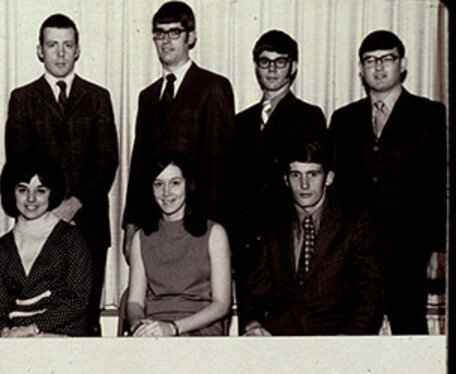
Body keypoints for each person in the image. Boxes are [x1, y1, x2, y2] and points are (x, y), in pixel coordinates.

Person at [5, 13, 118, 336]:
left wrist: (75, 203)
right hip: (39, 226)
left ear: (78, 50)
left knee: (84, 318)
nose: (60, 53)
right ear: (40, 50)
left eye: (67, 45)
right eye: (52, 45)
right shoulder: (22, 99)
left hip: (89, 223)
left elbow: (107, 160)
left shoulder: (98, 97)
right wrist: (49, 209)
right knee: (40, 317)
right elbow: (19, 163)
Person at [328, 30, 446, 334]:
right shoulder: (343, 120)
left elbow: (438, 185)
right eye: (370, 61)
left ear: (402, 64)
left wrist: (437, 248)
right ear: (360, 70)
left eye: (387, 59)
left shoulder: (430, 115)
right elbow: (337, 191)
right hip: (357, 254)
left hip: (410, 250)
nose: (378, 67)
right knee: (357, 336)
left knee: (410, 332)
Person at [122, 1, 235, 263]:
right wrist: (130, 226)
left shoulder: (213, 87)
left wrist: (212, 234)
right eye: (159, 33)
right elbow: (139, 167)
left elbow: (222, 168)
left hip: (198, 229)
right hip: (155, 227)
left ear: (191, 37)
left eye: (174, 32)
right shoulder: (147, 96)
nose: (166, 41)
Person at [240, 141, 383, 336]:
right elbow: (254, 292)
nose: (304, 184)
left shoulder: (355, 222)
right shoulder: (270, 225)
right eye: (296, 175)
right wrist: (253, 325)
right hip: (281, 339)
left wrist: (350, 339)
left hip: (337, 338)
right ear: (285, 180)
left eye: (313, 174)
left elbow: (370, 293)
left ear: (329, 178)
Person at [233, 30, 326, 274]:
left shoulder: (309, 116)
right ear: (256, 67)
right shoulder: (240, 121)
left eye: (280, 62)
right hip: (247, 243)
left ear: (293, 67)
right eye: (265, 62)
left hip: (288, 241)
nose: (272, 69)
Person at [126, 152, 231, 337]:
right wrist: (139, 326)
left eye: (175, 183)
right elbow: (135, 302)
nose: (166, 193)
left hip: (199, 329)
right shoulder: (141, 237)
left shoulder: (214, 234)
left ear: (188, 185)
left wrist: (173, 328)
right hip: (155, 329)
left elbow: (222, 304)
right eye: (159, 184)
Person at [0, 156, 92, 337]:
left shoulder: (72, 239)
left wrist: (33, 329)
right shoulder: (1, 249)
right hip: (15, 340)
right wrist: (6, 332)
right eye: (22, 190)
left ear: (52, 192)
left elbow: (78, 301)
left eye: (40, 190)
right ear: (12, 192)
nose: (31, 198)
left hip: (61, 338)